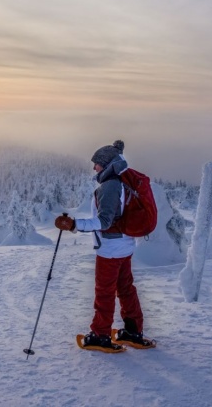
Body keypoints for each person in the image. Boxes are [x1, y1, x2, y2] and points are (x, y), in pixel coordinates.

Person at [54, 140, 150, 350]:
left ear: (106, 165)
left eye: (97, 164)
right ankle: (133, 331)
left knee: (104, 292)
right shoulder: (122, 181)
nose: (94, 168)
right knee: (125, 288)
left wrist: (74, 225)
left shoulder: (110, 186)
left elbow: (105, 221)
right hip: (124, 245)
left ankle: (100, 335)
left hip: (110, 249)